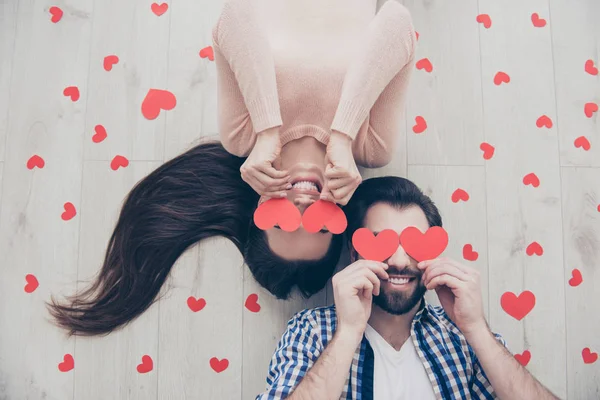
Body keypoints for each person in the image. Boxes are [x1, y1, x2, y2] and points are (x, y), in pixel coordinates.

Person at [46, 0, 416, 336]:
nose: (302, 204)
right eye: (319, 224)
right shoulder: (371, 146)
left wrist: (268, 132)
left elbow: (235, 15)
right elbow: (397, 21)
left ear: (259, 208)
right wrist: (342, 135)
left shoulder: (243, 137)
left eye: (282, 220)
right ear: (340, 216)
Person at [257, 177, 559, 400]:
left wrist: (476, 328)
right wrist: (348, 331)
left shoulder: (464, 338)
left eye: (414, 244)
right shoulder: (311, 331)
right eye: (381, 241)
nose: (400, 260)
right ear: (354, 254)